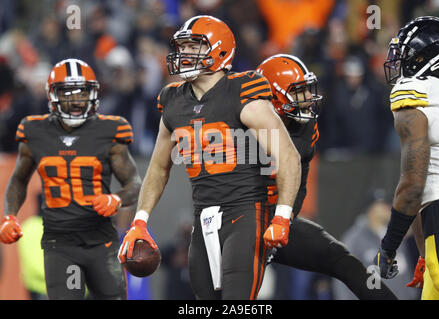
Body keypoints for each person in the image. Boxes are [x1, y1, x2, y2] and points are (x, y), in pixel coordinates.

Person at [118, 15, 301, 300]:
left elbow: (288, 156)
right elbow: (157, 167)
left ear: (221, 50)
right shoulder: (174, 101)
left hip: (245, 214)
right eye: (183, 47)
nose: (184, 54)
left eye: (194, 46)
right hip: (202, 217)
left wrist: (282, 216)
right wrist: (140, 221)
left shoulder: (243, 92)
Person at [256, 54, 397, 299]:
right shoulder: (242, 130)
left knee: (341, 259)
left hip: (276, 221)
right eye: (299, 92)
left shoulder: (306, 126)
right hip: (241, 224)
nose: (308, 98)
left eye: (307, 90)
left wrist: (284, 221)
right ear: (274, 97)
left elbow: (298, 186)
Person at [0, 58, 142, 300]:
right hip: (60, 243)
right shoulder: (35, 131)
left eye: (83, 91)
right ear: (53, 95)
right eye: (68, 92)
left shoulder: (110, 131)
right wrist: (10, 215)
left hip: (100, 240)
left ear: (93, 94)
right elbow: (18, 180)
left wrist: (116, 199)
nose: (76, 99)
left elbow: (134, 184)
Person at [373, 16, 439, 300]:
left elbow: (414, 187)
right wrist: (424, 253)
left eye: (406, 57)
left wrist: (389, 246)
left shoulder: (417, 93)